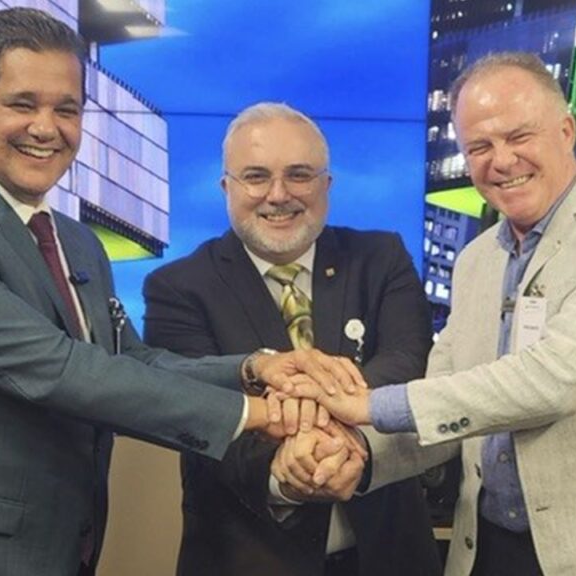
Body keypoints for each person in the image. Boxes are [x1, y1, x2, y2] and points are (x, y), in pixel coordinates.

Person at [0, 9, 360, 576]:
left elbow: (129, 362)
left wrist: (254, 368)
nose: (47, 128)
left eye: (66, 109)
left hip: (61, 550)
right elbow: (61, 370)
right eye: (23, 104)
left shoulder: (74, 241)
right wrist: (258, 413)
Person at [284, 52, 576, 576]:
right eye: (479, 146)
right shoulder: (477, 259)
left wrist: (366, 404)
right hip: (491, 552)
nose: (501, 160)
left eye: (518, 136)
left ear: (567, 131)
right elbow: (448, 404)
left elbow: (558, 378)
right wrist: (359, 458)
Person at [142, 102, 443, 576]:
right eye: (256, 177)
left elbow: (409, 361)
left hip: (391, 557)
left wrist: (335, 428)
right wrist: (287, 470)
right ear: (227, 188)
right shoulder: (178, 287)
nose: (278, 195)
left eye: (299, 175)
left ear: (327, 185)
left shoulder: (381, 257)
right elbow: (198, 411)